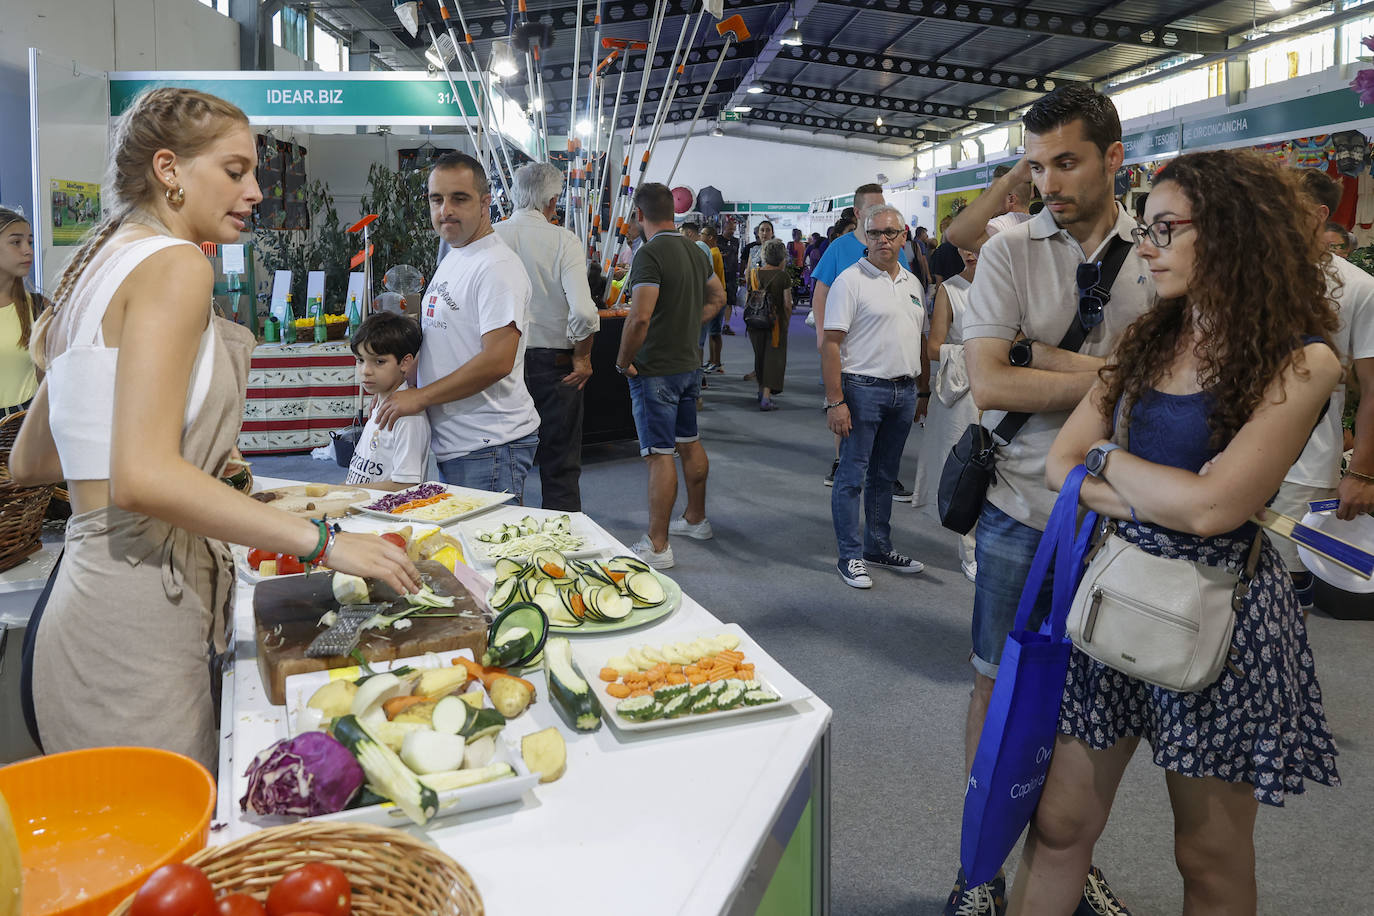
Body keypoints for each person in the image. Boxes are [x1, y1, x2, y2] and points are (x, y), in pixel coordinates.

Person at [13, 87, 419, 771]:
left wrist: (195, 462)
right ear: (169, 169)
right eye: (236, 171)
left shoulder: (95, 270)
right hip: (136, 624)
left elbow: (34, 459)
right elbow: (142, 478)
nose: (256, 191)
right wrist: (324, 541)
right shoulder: (176, 266)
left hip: (79, 610)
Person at [1011, 149, 1342, 915]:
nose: (1147, 244)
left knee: (1209, 856)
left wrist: (1108, 465)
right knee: (1059, 826)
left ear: (1228, 235)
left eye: (1165, 228)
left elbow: (1213, 511)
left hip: (1221, 618)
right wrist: (1134, 484)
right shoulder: (1145, 339)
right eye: (1146, 226)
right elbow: (1063, 463)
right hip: (1111, 593)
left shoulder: (1302, 362)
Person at [950, 84, 1152, 914]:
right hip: (1020, 509)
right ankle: (978, 870)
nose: (1049, 183)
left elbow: (1185, 388)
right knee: (997, 691)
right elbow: (991, 378)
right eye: (1036, 166)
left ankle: (1068, 859)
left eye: (1066, 162)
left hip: (1130, 524)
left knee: (1098, 710)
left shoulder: (1164, 246)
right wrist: (1117, 377)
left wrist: (1049, 363)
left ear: (1114, 158)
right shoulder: (1009, 250)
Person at [374, 152, 540, 503]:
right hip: (461, 442)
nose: (445, 210)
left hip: (489, 444)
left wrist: (419, 396)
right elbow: (443, 339)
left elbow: (498, 360)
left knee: (487, 551)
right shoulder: (456, 255)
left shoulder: (496, 267)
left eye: (458, 198)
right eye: (437, 199)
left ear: (485, 203)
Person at [1267, 169, 1374, 612]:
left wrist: (1363, 472)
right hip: (1222, 452)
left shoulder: (1358, 288)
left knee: (1283, 595)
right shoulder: (1251, 273)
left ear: (1318, 214)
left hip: (1303, 466)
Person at [615, 182, 726, 569]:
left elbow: (640, 315)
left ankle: (657, 545)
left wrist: (622, 360)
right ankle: (696, 518)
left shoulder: (650, 253)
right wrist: (687, 323)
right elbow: (718, 297)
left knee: (659, 454)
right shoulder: (693, 250)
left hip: (655, 368)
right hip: (687, 365)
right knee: (689, 441)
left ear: (639, 214)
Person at [822, 204, 927, 588]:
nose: (882, 239)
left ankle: (877, 547)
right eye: (874, 233)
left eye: (890, 233)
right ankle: (849, 556)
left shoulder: (912, 283)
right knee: (852, 476)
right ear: (865, 238)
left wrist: (923, 391)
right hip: (862, 389)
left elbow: (920, 338)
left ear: (903, 238)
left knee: (885, 476)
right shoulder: (850, 281)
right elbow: (830, 344)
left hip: (904, 389)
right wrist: (836, 401)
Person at [494, 162, 600, 512]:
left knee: (503, 463)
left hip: (497, 364)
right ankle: (563, 553)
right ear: (553, 201)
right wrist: (583, 357)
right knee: (560, 466)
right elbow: (584, 312)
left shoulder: (491, 238)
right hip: (555, 367)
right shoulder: (564, 241)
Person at [812, 183, 918, 495]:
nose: (880, 215)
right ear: (859, 213)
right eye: (873, 209)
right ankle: (840, 462)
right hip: (853, 352)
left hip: (889, 355)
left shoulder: (895, 249)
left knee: (883, 432)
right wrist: (823, 336)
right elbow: (821, 292)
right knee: (847, 415)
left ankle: (882, 473)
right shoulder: (840, 248)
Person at [914, 245, 979, 583]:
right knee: (967, 469)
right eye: (966, 246)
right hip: (964, 388)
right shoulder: (950, 290)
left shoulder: (1011, 286)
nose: (973, 252)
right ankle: (969, 549)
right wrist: (976, 353)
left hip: (1005, 389)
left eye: (980, 245)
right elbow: (934, 346)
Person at [345, 312, 431, 491]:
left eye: (379, 361)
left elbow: (407, 484)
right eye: (360, 360)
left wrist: (349, 493)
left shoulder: (408, 417)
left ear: (405, 362)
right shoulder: (379, 402)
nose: (366, 371)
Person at [0, 207, 43, 415]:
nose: (28, 250)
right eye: (16, 242)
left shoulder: (38, 306)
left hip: (23, 425)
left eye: (30, 242)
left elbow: (49, 380)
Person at [944, 162, 1036, 254]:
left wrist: (1010, 178)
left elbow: (956, 234)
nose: (989, 198)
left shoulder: (1004, 226)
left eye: (994, 192)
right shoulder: (1036, 223)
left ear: (1011, 199)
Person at [748, 238, 792, 410]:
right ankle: (766, 397)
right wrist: (786, 322)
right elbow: (787, 304)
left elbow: (748, 298)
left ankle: (760, 390)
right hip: (775, 325)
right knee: (772, 358)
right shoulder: (783, 276)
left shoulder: (754, 273)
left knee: (759, 356)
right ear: (782, 258)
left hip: (754, 322)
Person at [699, 224, 728, 372]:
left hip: (716, 297)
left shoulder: (713, 253)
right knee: (712, 332)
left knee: (714, 332)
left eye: (703, 234)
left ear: (710, 237)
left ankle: (716, 362)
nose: (700, 236)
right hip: (717, 296)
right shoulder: (713, 252)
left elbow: (712, 277)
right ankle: (713, 360)